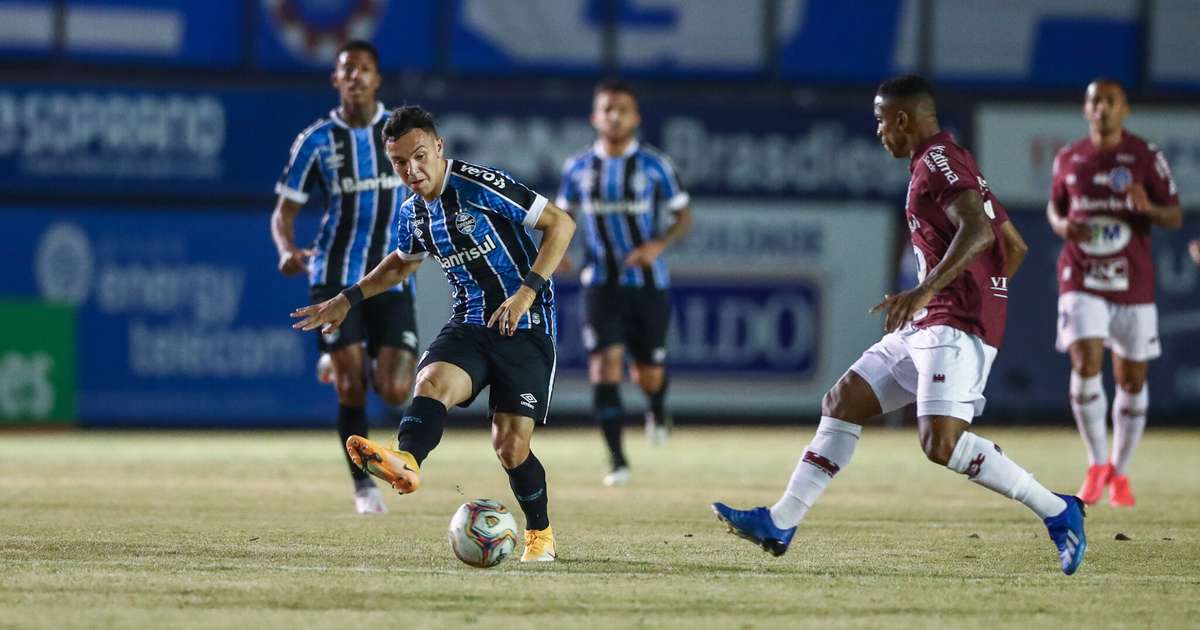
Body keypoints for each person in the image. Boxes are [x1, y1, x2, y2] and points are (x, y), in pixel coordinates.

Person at [712, 75, 1089, 576]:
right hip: (936, 321)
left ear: (902, 120)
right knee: (843, 401)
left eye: (880, 121)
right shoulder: (948, 160)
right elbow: (1012, 245)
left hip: (951, 324)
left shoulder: (938, 162)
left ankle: (1059, 510)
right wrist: (981, 291)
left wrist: (937, 292)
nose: (878, 132)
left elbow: (978, 231)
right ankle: (781, 522)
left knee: (942, 444)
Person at [292, 105, 576, 562]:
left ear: (439, 147)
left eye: (420, 156)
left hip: (528, 324)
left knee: (510, 445)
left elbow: (561, 224)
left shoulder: (479, 185)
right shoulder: (413, 214)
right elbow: (401, 264)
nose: (412, 170)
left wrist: (526, 292)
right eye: (400, 163)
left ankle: (539, 534)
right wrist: (347, 299)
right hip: (470, 323)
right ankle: (407, 461)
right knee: (431, 383)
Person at [271, 40, 418, 515]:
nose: (355, 76)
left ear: (378, 79)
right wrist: (287, 250)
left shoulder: (401, 133)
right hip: (334, 276)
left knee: (394, 389)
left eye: (365, 69)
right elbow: (283, 214)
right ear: (335, 79)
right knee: (353, 388)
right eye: (347, 69)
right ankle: (364, 488)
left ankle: (336, 359)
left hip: (392, 276)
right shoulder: (317, 141)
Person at [1047, 79, 1182, 507]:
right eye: (1094, 101)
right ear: (1085, 110)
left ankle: (1120, 472)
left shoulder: (1146, 156)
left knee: (1131, 378)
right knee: (1085, 360)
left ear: (1124, 110)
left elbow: (1175, 216)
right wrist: (1062, 226)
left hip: (1132, 279)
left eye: (1110, 102)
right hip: (1081, 273)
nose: (1101, 109)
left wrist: (1150, 208)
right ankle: (1095, 462)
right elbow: (1055, 208)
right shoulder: (1069, 157)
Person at [557, 80, 693, 487]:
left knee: (648, 372)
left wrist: (658, 244)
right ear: (594, 117)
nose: (614, 116)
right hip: (599, 282)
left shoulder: (655, 166)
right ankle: (617, 460)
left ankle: (656, 404)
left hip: (647, 282)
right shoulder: (578, 168)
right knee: (603, 365)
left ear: (636, 117)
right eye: (607, 109)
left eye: (622, 110)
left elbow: (683, 216)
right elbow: (561, 218)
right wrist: (558, 250)